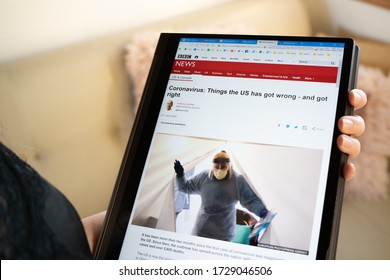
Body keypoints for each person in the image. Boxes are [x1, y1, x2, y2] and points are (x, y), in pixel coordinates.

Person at [0, 89, 367, 258]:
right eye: (218, 163)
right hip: (199, 233)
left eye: (224, 162)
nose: (220, 167)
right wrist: (177, 175)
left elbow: (255, 204)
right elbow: (186, 188)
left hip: (221, 237)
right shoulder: (205, 179)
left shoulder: (237, 182)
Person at [174, 150, 268, 241]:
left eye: (223, 167)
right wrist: (180, 174)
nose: (219, 170)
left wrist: (261, 211)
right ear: (212, 166)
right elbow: (185, 187)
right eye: (216, 167)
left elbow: (250, 200)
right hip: (201, 230)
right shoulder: (204, 177)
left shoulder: (237, 180)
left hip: (223, 234)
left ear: (229, 166)